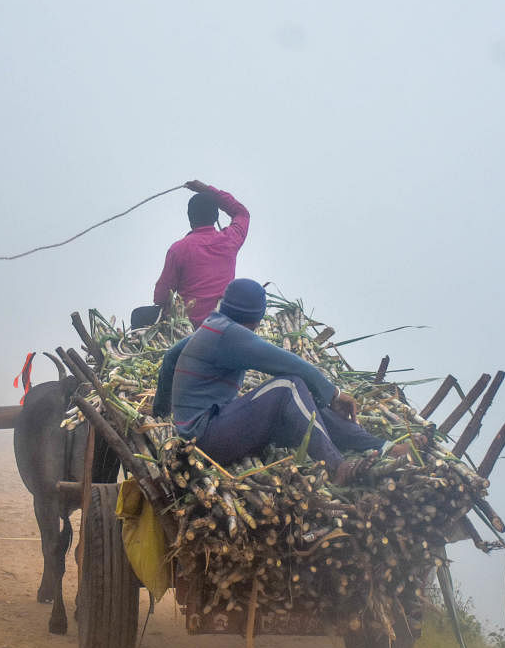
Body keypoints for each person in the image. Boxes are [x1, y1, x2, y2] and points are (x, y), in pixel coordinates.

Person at [152, 278, 424, 484]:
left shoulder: (213, 327)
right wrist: (333, 394)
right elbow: (288, 363)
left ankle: (382, 448)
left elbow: (170, 358)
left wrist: (160, 412)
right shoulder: (230, 334)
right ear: (256, 319)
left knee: (305, 407)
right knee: (289, 386)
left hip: (208, 430)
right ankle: (336, 467)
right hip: (205, 439)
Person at [147, 179, 250, 329]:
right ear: (216, 217)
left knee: (139, 315)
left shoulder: (178, 249)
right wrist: (208, 190)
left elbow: (160, 297)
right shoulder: (230, 239)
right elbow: (242, 213)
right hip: (223, 322)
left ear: (190, 218)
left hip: (189, 327)